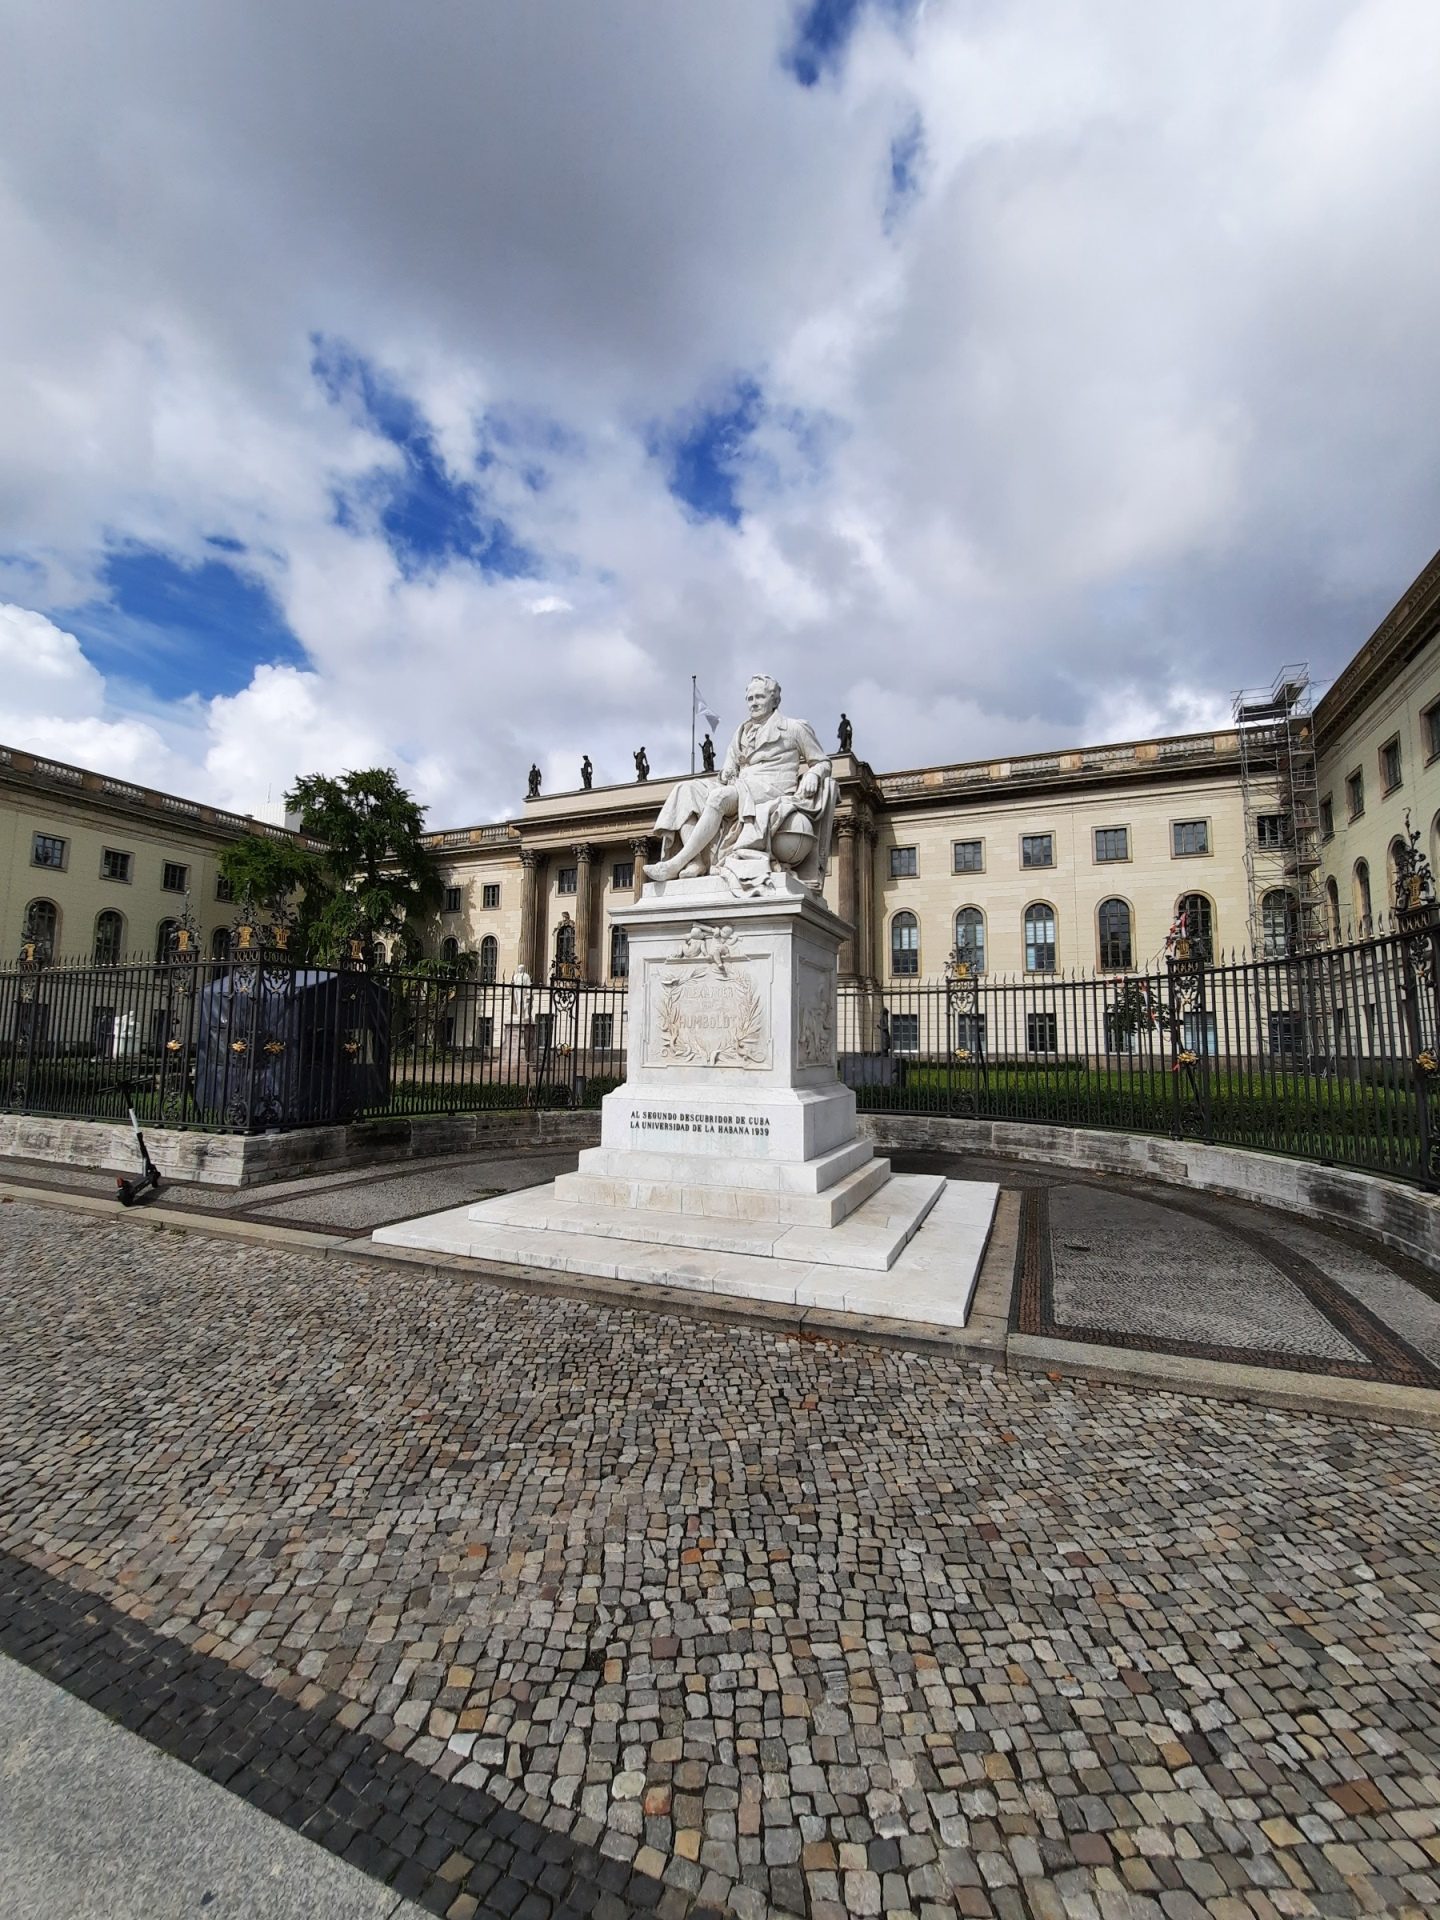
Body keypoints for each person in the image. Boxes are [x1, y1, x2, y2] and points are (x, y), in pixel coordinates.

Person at [644, 674, 835, 891]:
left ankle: (675, 863)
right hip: (741, 787)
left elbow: (822, 762)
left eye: (760, 697)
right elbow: (729, 768)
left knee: (719, 797)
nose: (754, 703)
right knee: (685, 790)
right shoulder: (741, 732)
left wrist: (813, 774)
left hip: (771, 788)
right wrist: (726, 772)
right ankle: (695, 860)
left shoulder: (794, 727)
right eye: (750, 698)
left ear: (774, 700)